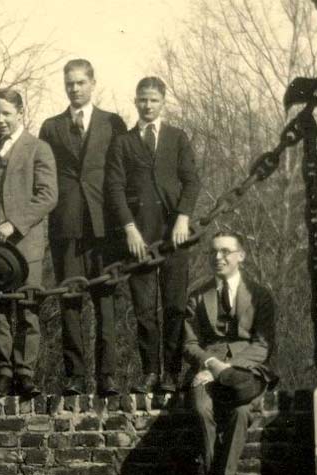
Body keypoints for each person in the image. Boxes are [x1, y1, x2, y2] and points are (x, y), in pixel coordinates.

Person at [105, 76, 201, 404]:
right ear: (135, 102)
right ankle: (150, 371)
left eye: (154, 100)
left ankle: (172, 372)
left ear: (163, 102)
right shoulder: (123, 143)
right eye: (143, 100)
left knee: (174, 306)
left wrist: (183, 218)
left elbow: (191, 181)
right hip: (139, 239)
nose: (148, 106)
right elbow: (115, 188)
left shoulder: (177, 138)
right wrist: (129, 229)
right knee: (145, 309)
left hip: (174, 236)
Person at [38, 59, 127, 397]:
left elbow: (121, 173)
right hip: (66, 225)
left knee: (105, 302)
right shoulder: (51, 126)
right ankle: (74, 376)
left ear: (93, 83)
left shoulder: (112, 123)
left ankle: (108, 376)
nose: (75, 89)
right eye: (69, 84)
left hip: (105, 226)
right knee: (70, 302)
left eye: (80, 83)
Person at [184, 231, 277, 475]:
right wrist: (210, 363)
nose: (218, 257)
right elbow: (189, 343)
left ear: (241, 255)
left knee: (240, 413)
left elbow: (263, 345)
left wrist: (226, 367)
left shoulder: (260, 295)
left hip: (245, 370)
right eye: (213, 252)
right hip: (207, 368)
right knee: (201, 409)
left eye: (225, 251)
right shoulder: (198, 295)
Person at [0, 89, 58, 398]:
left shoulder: (38, 148)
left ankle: (25, 374)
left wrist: (15, 222)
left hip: (26, 243)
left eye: (6, 114)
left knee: (27, 309)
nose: (0, 120)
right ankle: (3, 372)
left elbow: (48, 196)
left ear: (20, 113)